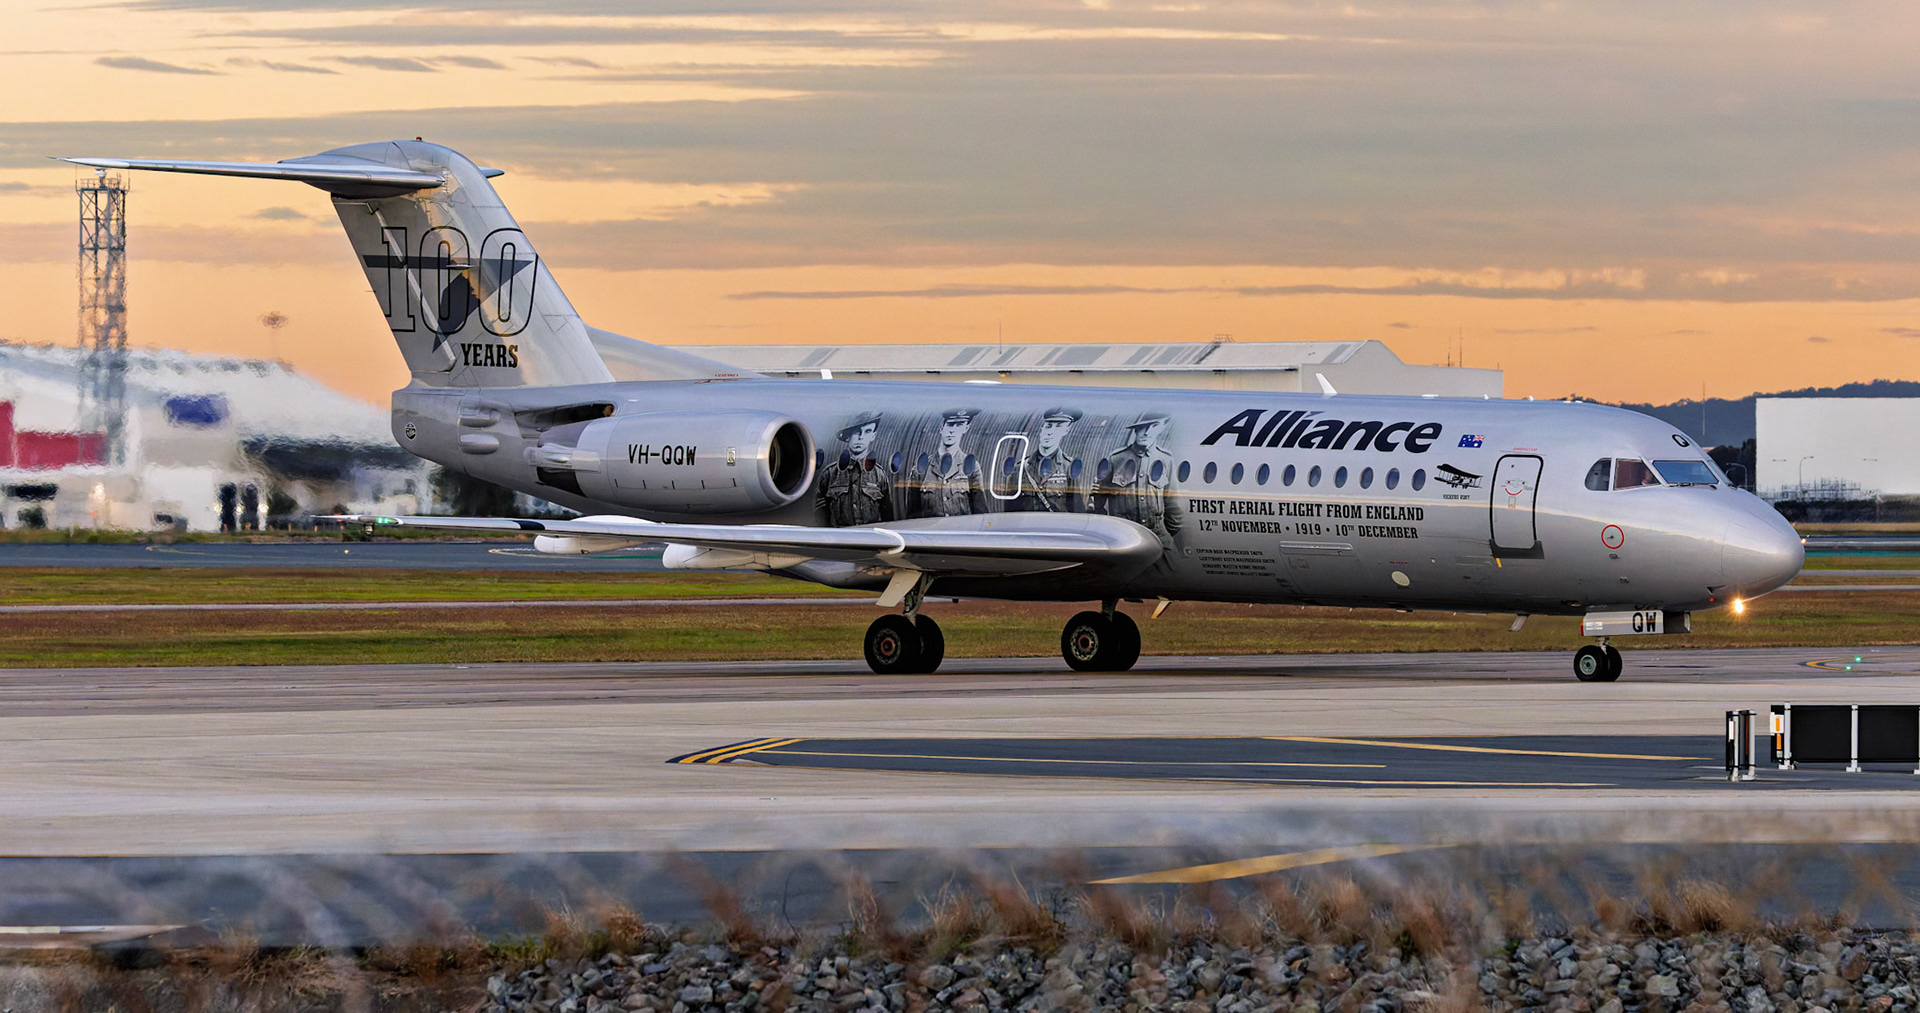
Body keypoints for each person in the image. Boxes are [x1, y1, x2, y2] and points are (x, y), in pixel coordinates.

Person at [1092, 411, 1182, 554]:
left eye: (1154, 426)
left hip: (1159, 537)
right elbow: (1098, 501)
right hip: (1124, 537)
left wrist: (1165, 534)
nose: (1146, 432)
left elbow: (1172, 504)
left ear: (1161, 428)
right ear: (1135, 430)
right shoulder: (1116, 458)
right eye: (1142, 427)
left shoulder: (1166, 459)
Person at [815, 410, 893, 527]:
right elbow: (819, 517)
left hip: (871, 536)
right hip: (838, 537)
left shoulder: (879, 475)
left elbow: (888, 516)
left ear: (873, 436)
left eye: (867, 431)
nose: (861, 437)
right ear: (848, 437)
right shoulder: (829, 475)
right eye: (857, 432)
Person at [908, 408, 986, 518]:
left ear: (966, 428)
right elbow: (912, 516)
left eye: (959, 425)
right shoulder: (921, 468)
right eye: (950, 424)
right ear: (942, 428)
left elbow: (980, 513)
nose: (952, 431)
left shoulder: (971, 466)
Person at [1011, 406, 1084, 513]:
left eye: (1058, 427)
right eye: (1048, 426)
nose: (1050, 432)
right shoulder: (1021, 468)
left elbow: (1076, 509)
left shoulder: (1068, 467)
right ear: (1042, 429)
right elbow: (1011, 511)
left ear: (1066, 431)